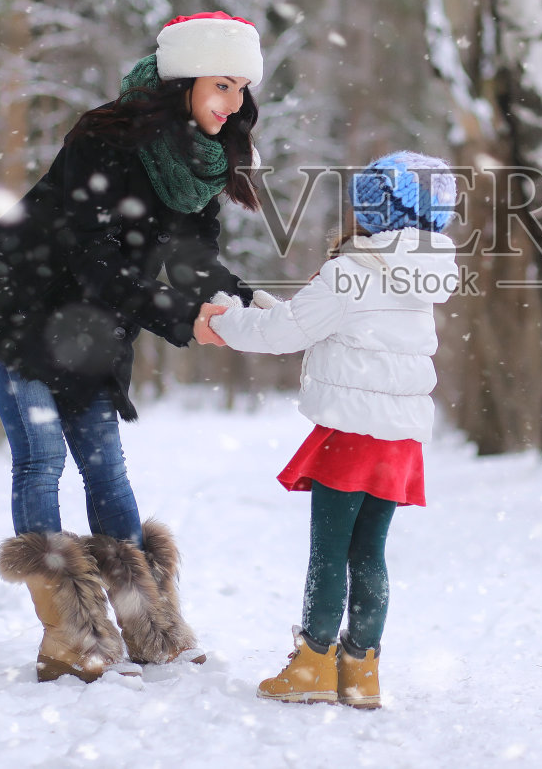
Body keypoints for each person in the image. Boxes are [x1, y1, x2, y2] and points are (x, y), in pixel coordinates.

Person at [0, 11, 264, 682]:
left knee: (106, 469)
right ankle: (69, 634)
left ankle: (152, 628)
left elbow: (190, 258)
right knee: (43, 457)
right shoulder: (107, 138)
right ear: (184, 81)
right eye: (221, 86)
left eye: (241, 90)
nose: (233, 105)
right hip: (20, 304)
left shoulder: (199, 164)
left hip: (91, 324)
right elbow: (95, 257)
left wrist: (248, 301)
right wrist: (179, 318)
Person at [196, 150, 459, 709]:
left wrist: (225, 322)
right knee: (370, 553)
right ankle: (362, 670)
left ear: (372, 208)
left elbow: (288, 331)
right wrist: (263, 309)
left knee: (329, 551)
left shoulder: (353, 271)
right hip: (398, 438)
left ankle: (314, 663)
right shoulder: (421, 275)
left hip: (351, 434)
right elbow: (332, 329)